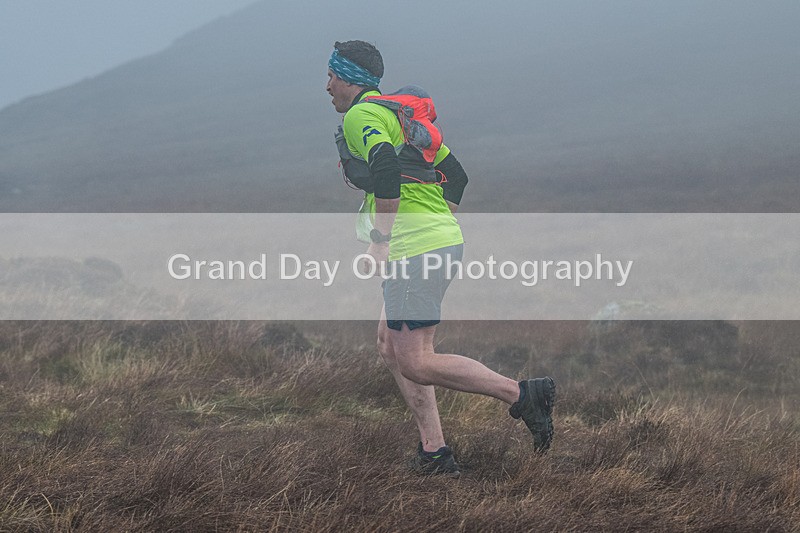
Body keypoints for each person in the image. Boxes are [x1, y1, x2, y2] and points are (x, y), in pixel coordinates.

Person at [326, 40, 555, 477]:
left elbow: (385, 168)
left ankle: (523, 395)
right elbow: (457, 176)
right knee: (389, 346)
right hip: (433, 243)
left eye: (331, 76)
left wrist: (382, 238)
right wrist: (437, 221)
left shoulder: (363, 115)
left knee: (415, 359)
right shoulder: (402, 117)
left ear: (350, 78)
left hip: (415, 250)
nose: (327, 86)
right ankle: (434, 452)